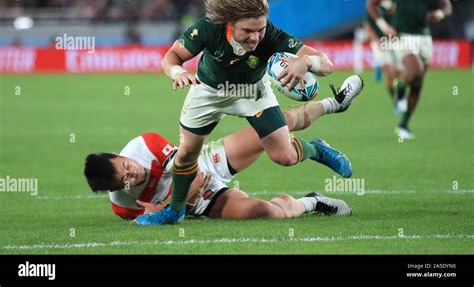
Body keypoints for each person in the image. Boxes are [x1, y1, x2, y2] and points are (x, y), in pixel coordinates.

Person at [155, 0, 363, 224]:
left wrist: (305, 62)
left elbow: (325, 64)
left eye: (260, 29)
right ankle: (175, 210)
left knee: (284, 156)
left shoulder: (271, 35)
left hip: (253, 92)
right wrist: (178, 73)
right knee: (187, 154)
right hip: (207, 92)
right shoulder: (208, 28)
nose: (255, 37)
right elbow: (171, 57)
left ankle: (317, 148)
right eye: (248, 31)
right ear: (230, 23)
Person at [84, 77, 361, 223]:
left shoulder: (144, 144)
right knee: (267, 213)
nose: (131, 176)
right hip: (203, 202)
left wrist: (165, 206)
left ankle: (333, 105)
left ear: (118, 155)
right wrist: (170, 207)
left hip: (206, 163)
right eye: (125, 181)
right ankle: (313, 202)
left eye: (126, 168)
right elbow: (159, 218)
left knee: (278, 125)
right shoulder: (122, 204)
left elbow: (187, 176)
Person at [366, 0, 452, 139]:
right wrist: (385, 26)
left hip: (424, 36)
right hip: (401, 36)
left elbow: (446, 5)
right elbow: (371, 3)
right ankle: (399, 86)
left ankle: (403, 124)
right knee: (416, 70)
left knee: (418, 82)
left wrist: (439, 13)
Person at [363, 0, 406, 113]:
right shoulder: (373, 7)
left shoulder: (394, 5)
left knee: (400, 73)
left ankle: (401, 98)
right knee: (391, 73)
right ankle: (397, 102)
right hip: (379, 44)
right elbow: (368, 27)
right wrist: (376, 40)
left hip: (394, 41)